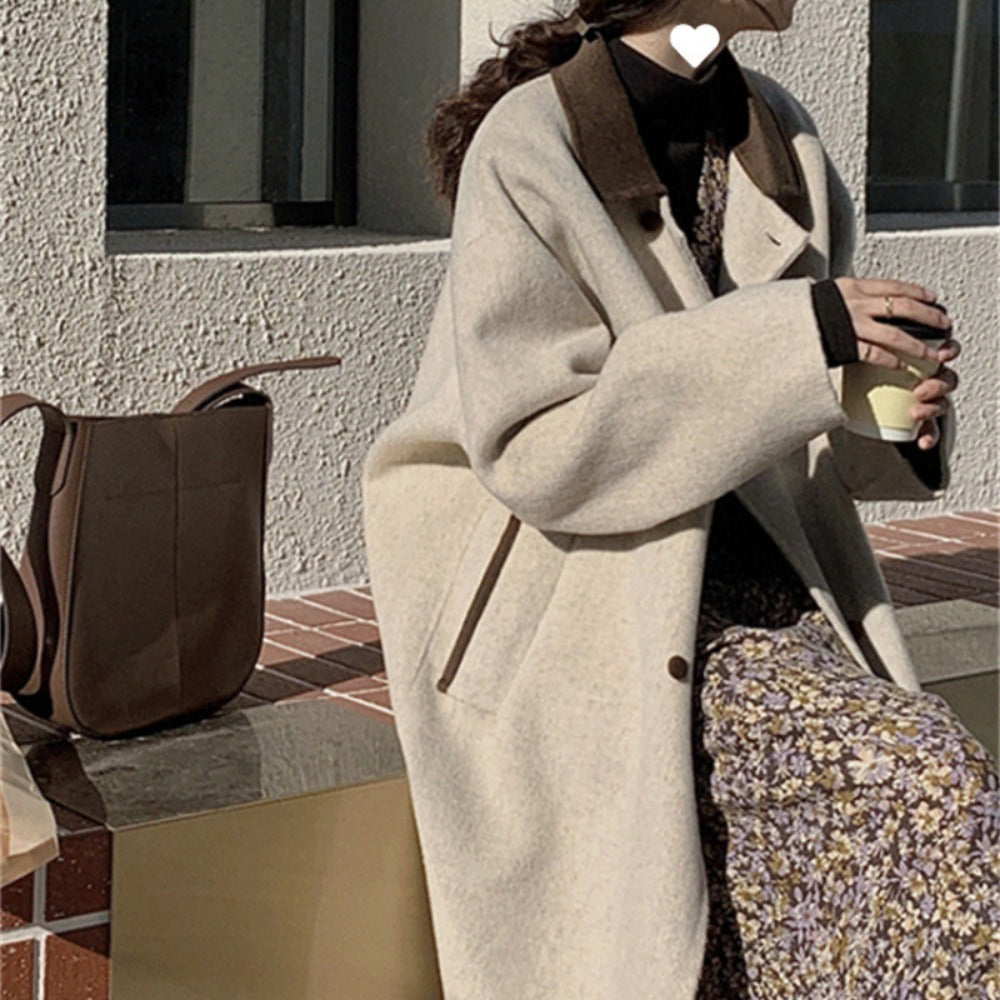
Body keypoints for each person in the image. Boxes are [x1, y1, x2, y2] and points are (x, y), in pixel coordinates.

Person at [361, 2, 998, 997]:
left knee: (914, 789)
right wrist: (800, 335)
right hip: (584, 583)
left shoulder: (778, 134)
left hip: (760, 578)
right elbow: (538, 445)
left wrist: (889, 412)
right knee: (928, 779)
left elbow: (807, 425)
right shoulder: (534, 140)